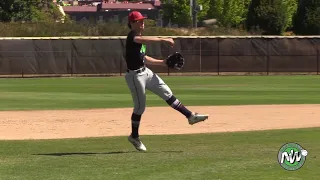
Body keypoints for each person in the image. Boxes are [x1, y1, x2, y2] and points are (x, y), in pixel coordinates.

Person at [125, 11, 209, 152]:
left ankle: (190, 116)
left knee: (167, 92)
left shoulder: (139, 39)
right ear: (132, 23)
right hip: (135, 77)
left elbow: (144, 59)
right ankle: (134, 136)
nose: (142, 22)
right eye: (139, 21)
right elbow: (145, 40)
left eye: (142, 20)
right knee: (140, 108)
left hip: (145, 72)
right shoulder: (132, 36)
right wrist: (163, 39)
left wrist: (163, 63)